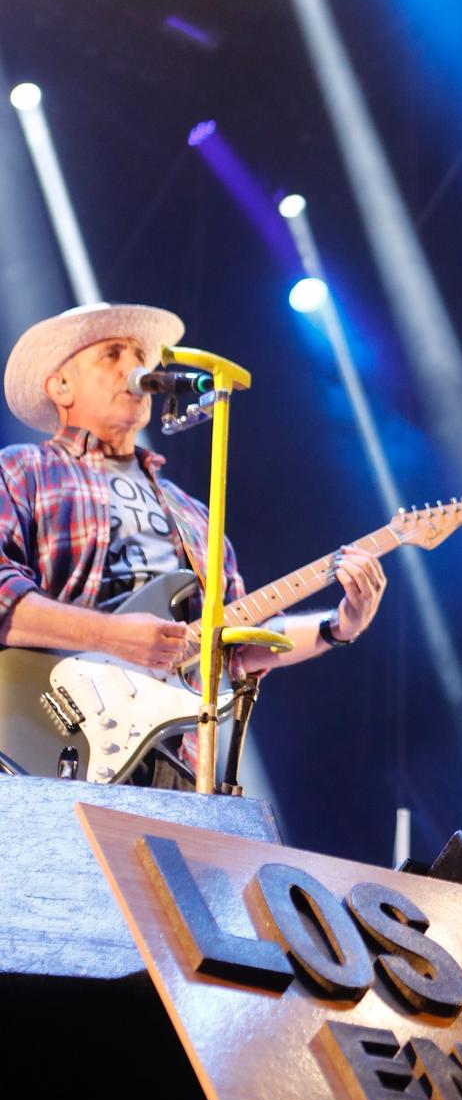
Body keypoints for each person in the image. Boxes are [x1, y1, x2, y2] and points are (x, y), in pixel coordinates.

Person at [0, 302, 386, 779]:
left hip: (172, 758)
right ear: (61, 386)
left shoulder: (195, 515)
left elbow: (235, 646)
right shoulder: (23, 470)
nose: (136, 366)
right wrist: (110, 635)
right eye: (112, 354)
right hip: (47, 740)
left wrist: (339, 623)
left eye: (141, 353)